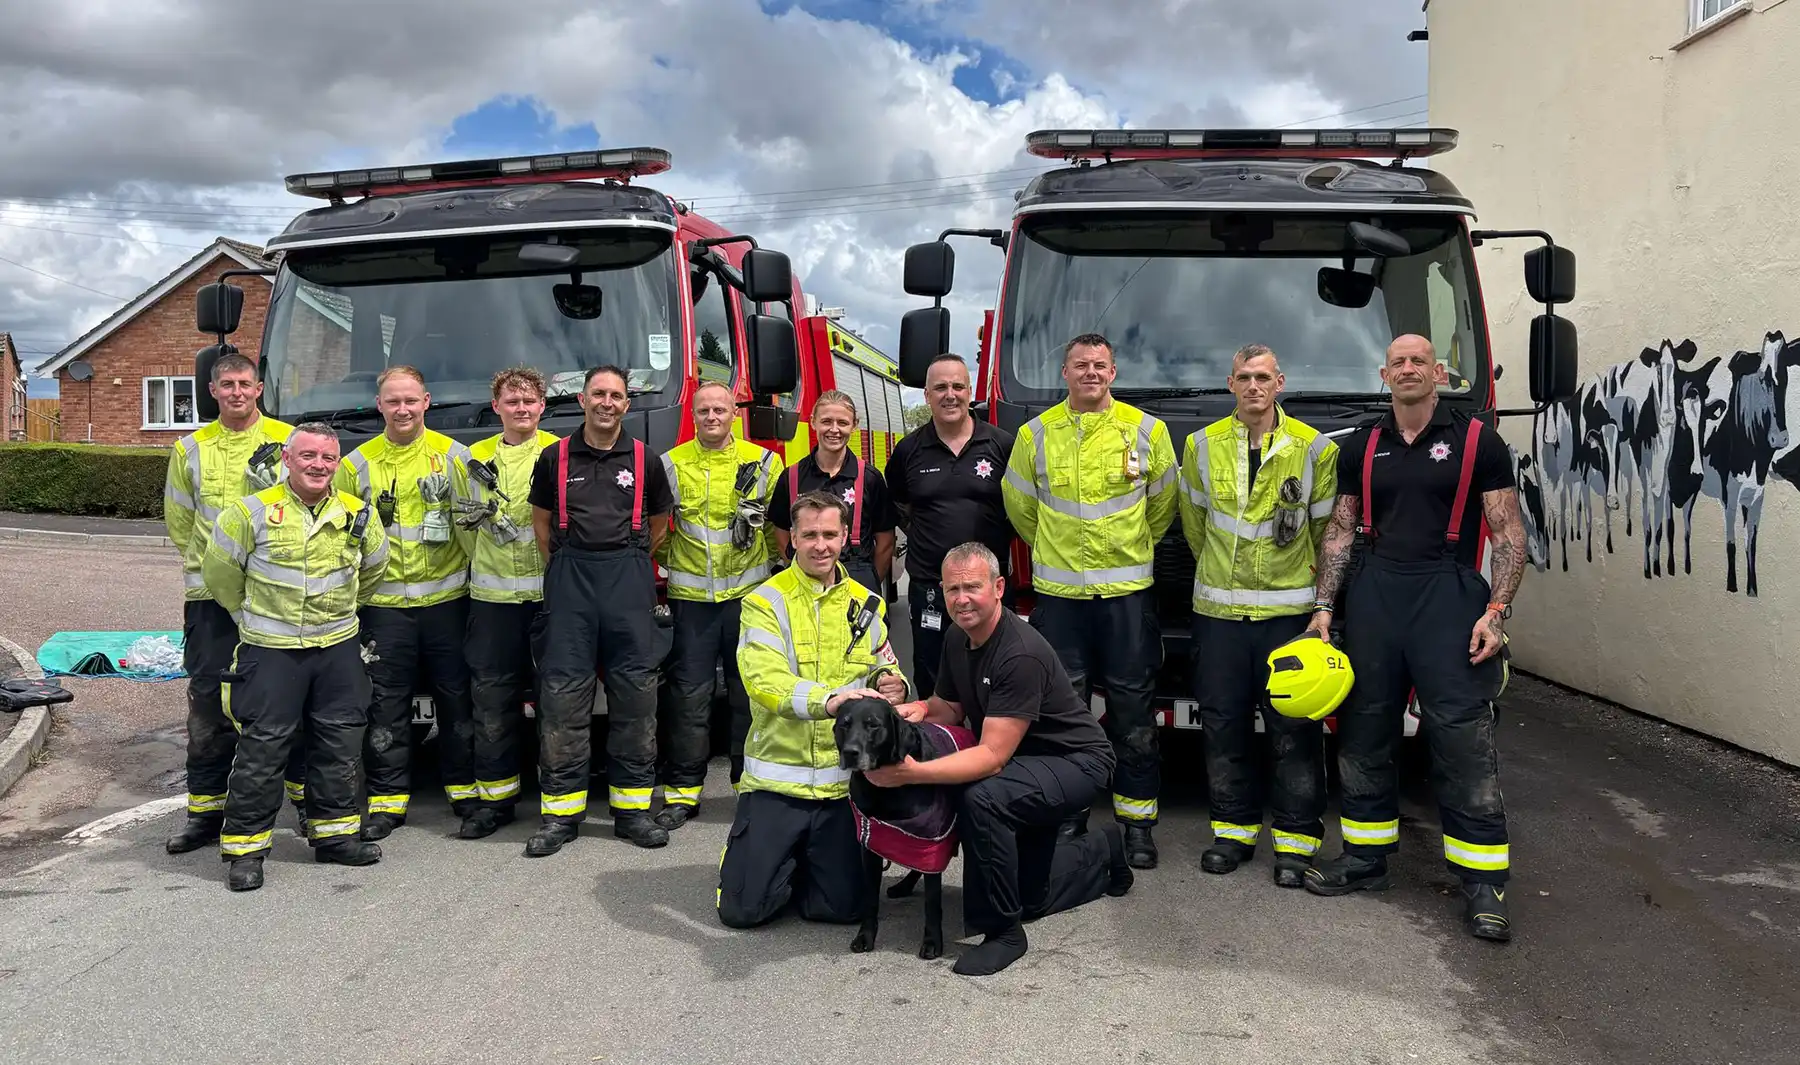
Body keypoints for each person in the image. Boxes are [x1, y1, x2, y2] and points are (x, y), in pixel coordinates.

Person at [1302, 333, 1528, 941]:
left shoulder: (1479, 441)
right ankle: (1364, 858)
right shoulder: (1362, 444)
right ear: (1385, 373)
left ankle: (1483, 883)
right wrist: (1324, 608)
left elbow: (1507, 532)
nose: (1408, 369)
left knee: (1460, 737)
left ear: (1438, 372)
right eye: (1398, 362)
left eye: (1418, 361)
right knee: (1364, 728)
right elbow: (1340, 533)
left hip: (1448, 594)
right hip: (1376, 595)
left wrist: (1497, 611)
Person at [871, 542, 1135, 976]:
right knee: (1032, 895)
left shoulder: (1019, 652)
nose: (961, 599)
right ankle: (1103, 851)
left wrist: (912, 774)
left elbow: (992, 757)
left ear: (997, 587)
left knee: (983, 795)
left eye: (972, 587)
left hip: (1075, 761)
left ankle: (1004, 932)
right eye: (953, 588)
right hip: (1027, 760)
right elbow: (950, 707)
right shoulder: (958, 636)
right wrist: (917, 710)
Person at [1000, 333, 1177, 870]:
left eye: (1100, 366)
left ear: (1114, 373)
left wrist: (1124, 555)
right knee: (1063, 712)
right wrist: (1059, 556)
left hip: (1126, 598)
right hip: (1061, 600)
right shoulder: (1035, 435)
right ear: (1065, 372)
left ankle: (1138, 824)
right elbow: (1021, 508)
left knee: (1133, 711)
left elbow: (1163, 505)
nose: (1091, 374)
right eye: (1081, 365)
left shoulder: (1149, 431)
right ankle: (1069, 816)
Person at [201, 422, 389, 891]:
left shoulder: (357, 513)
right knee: (264, 748)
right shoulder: (248, 513)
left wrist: (339, 618)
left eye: (327, 458)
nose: (318, 465)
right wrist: (257, 619)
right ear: (287, 459)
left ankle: (336, 838)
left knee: (339, 745)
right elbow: (222, 577)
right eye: (308, 456)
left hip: (338, 648)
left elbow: (374, 570)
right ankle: (245, 851)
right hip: (271, 651)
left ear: (337, 462)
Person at [1178, 344, 1338, 887]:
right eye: (1244, 377)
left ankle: (1295, 843)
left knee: (1293, 729)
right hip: (1219, 616)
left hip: (1287, 616)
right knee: (1223, 726)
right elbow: (1193, 527)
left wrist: (1320, 607)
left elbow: (1324, 535)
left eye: (1262, 377)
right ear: (1230, 384)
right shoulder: (1199, 446)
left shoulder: (1314, 449)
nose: (1253, 387)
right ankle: (1233, 833)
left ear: (1280, 383)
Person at [718, 491, 909, 929]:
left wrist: (893, 684)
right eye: (809, 535)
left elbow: (886, 665)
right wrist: (830, 701)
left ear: (845, 537)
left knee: (842, 910)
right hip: (775, 787)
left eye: (829, 534)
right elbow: (765, 681)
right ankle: (753, 858)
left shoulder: (867, 603)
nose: (820, 544)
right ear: (793, 540)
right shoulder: (765, 602)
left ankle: (806, 860)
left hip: (841, 790)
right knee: (743, 912)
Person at [526, 365, 675, 854]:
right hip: (571, 585)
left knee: (635, 700)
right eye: (598, 394)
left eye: (616, 395)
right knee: (563, 701)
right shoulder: (553, 458)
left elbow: (659, 525)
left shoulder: (646, 460)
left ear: (626, 405)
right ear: (582, 400)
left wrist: (626, 561)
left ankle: (632, 811)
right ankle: (561, 816)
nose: (607, 402)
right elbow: (542, 526)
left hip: (628, 585)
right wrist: (573, 564)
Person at [333, 365, 477, 840]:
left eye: (410, 400)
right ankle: (387, 800)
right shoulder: (355, 466)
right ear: (379, 406)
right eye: (393, 401)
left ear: (426, 401)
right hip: (384, 608)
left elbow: (473, 531)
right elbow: (342, 540)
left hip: (447, 603)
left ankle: (464, 791)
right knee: (385, 705)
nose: (402, 409)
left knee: (457, 700)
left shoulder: (455, 458)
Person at [162, 352, 297, 854]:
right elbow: (180, 521)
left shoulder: (288, 442)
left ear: (259, 388)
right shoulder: (189, 449)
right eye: (228, 385)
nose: (237, 392)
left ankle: (304, 805)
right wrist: (213, 572)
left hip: (275, 594)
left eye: (245, 383)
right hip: (210, 599)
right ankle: (204, 814)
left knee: (287, 702)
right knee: (209, 708)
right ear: (213, 391)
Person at [656, 380, 785, 816]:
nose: (712, 417)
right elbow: (655, 531)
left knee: (748, 695)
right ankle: (682, 794)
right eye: (703, 411)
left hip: (749, 600)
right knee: (689, 697)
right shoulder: (670, 465)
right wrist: (674, 562)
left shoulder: (765, 462)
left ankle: (747, 786)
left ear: (735, 413)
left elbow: (774, 531)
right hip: (691, 601)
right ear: (692, 416)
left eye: (720, 410)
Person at [448, 367, 559, 840]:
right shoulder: (469, 460)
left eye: (529, 401)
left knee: (557, 704)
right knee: (492, 704)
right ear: (496, 408)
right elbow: (461, 529)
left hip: (547, 598)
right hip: (492, 601)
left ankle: (558, 803)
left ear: (541, 406)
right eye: (511, 401)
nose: (521, 409)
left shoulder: (559, 453)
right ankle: (496, 802)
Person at [885, 354, 1015, 700]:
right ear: (926, 395)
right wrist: (926, 535)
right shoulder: (908, 450)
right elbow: (898, 504)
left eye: (958, 386)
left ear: (970, 392)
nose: (950, 394)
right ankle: (937, 744)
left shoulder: (1002, 445)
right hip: (931, 584)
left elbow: (1019, 508)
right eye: (940, 387)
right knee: (933, 670)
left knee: (996, 671)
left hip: (988, 584)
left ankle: (992, 748)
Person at [769, 389, 896, 594]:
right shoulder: (790, 478)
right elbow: (782, 531)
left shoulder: (870, 479)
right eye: (826, 421)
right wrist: (800, 568)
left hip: (857, 581)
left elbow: (886, 542)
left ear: (854, 426)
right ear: (813, 422)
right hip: (804, 583)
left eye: (843, 423)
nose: (834, 430)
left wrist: (869, 584)